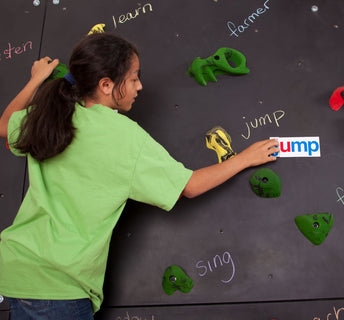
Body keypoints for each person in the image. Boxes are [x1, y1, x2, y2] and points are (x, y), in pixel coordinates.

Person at [0, 33, 278, 319]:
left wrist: (36, 79)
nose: (139, 86)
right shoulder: (123, 136)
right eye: (133, 78)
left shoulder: (52, 116)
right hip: (58, 285)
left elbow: (5, 124)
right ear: (106, 84)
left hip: (17, 270)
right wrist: (244, 158)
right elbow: (190, 186)